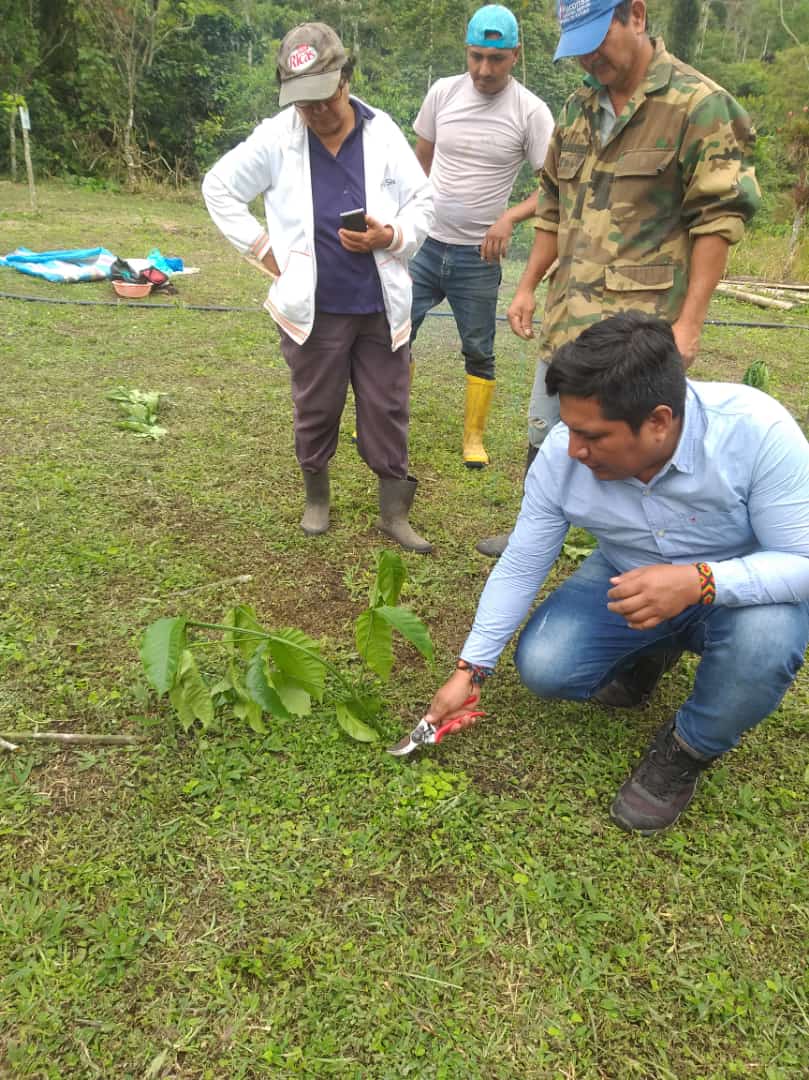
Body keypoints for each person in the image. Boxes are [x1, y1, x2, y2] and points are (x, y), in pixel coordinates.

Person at [423, 314, 809, 834]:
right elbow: (523, 560)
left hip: (739, 589)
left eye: (592, 436)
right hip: (629, 571)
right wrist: (471, 669)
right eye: (569, 428)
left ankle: (688, 747)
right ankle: (654, 648)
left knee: (767, 641)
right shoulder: (563, 454)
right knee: (545, 665)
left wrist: (698, 582)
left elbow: (802, 561)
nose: (573, 450)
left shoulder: (756, 431)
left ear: (658, 421)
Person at [477, 0, 760, 556]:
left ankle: (645, 545)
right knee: (549, 432)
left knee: (640, 443)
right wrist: (528, 285)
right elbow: (553, 206)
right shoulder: (578, 108)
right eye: (576, 48)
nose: (588, 59)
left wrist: (690, 324)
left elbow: (718, 220)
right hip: (569, 318)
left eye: (596, 41)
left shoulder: (699, 106)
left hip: (641, 328)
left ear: (635, 15)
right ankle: (535, 532)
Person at [202, 23, 435, 553]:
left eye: (324, 98)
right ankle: (317, 497)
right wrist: (265, 251)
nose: (315, 111)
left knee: (388, 407)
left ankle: (394, 512)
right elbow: (219, 187)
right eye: (303, 101)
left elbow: (423, 201)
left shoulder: (381, 132)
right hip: (315, 309)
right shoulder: (277, 138)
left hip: (378, 306)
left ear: (345, 80)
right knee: (316, 406)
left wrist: (390, 235)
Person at [408, 4, 554, 468]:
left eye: (496, 59)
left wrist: (510, 217)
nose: (484, 70)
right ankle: (385, 417)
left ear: (515, 55)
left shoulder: (531, 112)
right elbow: (419, 162)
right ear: (467, 52)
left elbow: (554, 188)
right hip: (424, 244)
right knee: (393, 332)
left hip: (478, 256)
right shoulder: (442, 92)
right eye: (476, 57)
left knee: (478, 347)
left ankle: (473, 437)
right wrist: (409, 216)